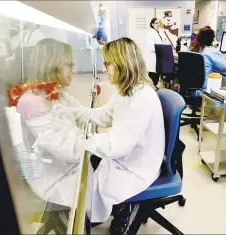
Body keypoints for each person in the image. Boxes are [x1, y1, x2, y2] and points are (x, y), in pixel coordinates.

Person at [56, 37, 165, 234]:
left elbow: (117, 146)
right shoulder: (127, 92)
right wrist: (70, 107)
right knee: (93, 179)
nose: (105, 69)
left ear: (123, 64)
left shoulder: (142, 99)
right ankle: (118, 207)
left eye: (108, 64)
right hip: (128, 156)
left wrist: (79, 140)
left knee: (92, 191)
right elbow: (104, 115)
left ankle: (128, 206)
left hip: (138, 166)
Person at [8, 38, 83, 210]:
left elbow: (80, 115)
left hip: (63, 165)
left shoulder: (56, 92)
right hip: (52, 180)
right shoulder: (33, 102)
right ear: (52, 65)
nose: (75, 71)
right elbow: (69, 151)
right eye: (70, 65)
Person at [144, 18, 166, 86]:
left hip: (159, 60)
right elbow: (152, 47)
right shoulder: (150, 34)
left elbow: (163, 43)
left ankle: (154, 92)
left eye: (159, 23)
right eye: (156, 23)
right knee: (153, 80)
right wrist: (162, 48)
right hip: (153, 61)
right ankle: (151, 93)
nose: (158, 24)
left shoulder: (160, 33)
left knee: (156, 79)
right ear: (152, 24)